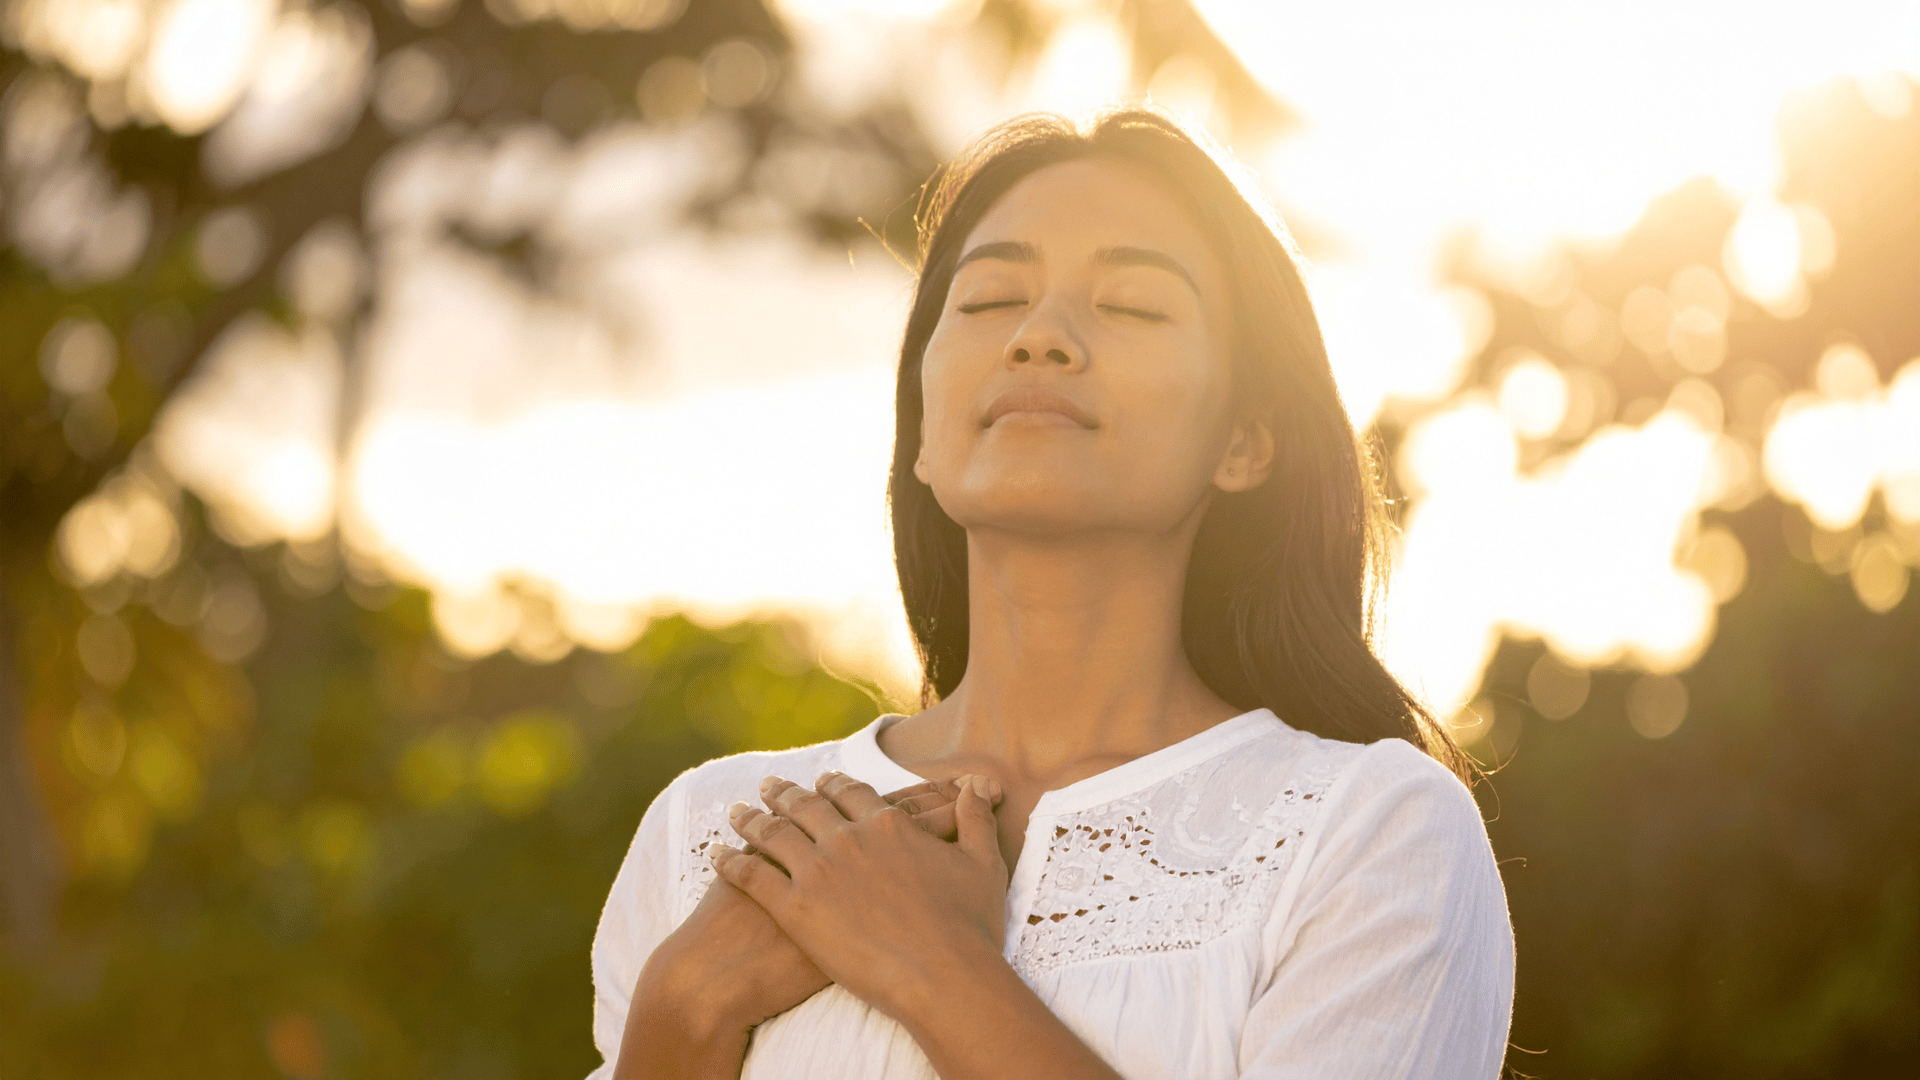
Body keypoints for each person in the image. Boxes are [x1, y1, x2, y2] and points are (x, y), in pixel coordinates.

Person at [587, 106, 1514, 1080]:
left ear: (1245, 441)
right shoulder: (713, 830)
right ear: (922, 429)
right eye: (989, 301)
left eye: (1134, 305)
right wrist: (681, 1014)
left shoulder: (1368, 829)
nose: (1040, 337)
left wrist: (932, 966)